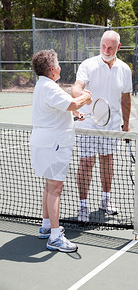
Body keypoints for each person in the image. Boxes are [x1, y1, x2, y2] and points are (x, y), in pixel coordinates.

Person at [30, 49, 92, 252]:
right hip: (54, 144)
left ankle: (46, 227)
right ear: (51, 69)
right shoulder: (50, 87)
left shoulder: (42, 85)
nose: (60, 67)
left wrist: (74, 114)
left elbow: (61, 109)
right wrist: (86, 96)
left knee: (49, 186)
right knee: (56, 188)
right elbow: (72, 103)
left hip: (45, 141)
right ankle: (55, 237)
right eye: (58, 64)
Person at [71, 30, 132, 222]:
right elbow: (76, 87)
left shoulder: (124, 69)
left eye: (110, 47)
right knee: (87, 162)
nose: (106, 50)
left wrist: (127, 125)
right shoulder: (88, 65)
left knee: (107, 160)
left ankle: (106, 199)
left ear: (118, 48)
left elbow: (126, 98)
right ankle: (83, 205)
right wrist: (80, 95)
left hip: (112, 125)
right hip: (89, 123)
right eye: (103, 46)